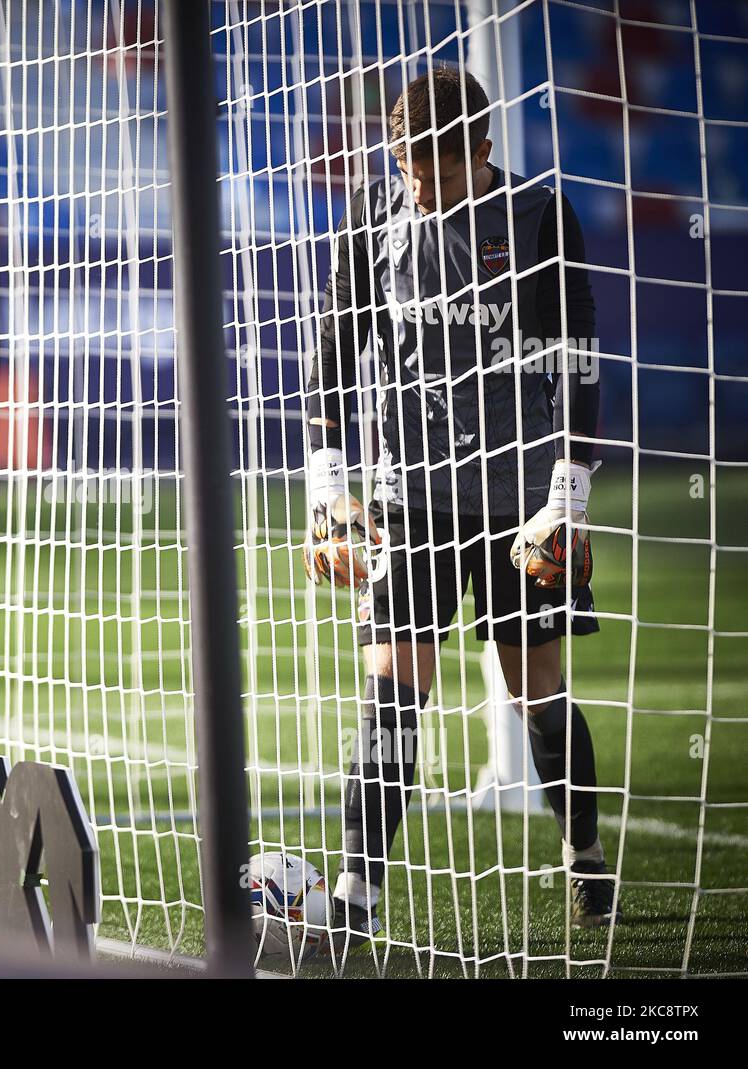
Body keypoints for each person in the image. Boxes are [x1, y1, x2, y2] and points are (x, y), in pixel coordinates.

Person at [302, 66, 619, 951]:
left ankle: (585, 854)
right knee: (390, 697)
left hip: (520, 505)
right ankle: (359, 889)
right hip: (410, 498)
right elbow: (335, 345)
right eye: (405, 164)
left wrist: (568, 496)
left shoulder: (539, 218)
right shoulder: (374, 215)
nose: (418, 183)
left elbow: (580, 357)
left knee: (537, 695)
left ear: (482, 152)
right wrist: (328, 485)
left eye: (436, 168)